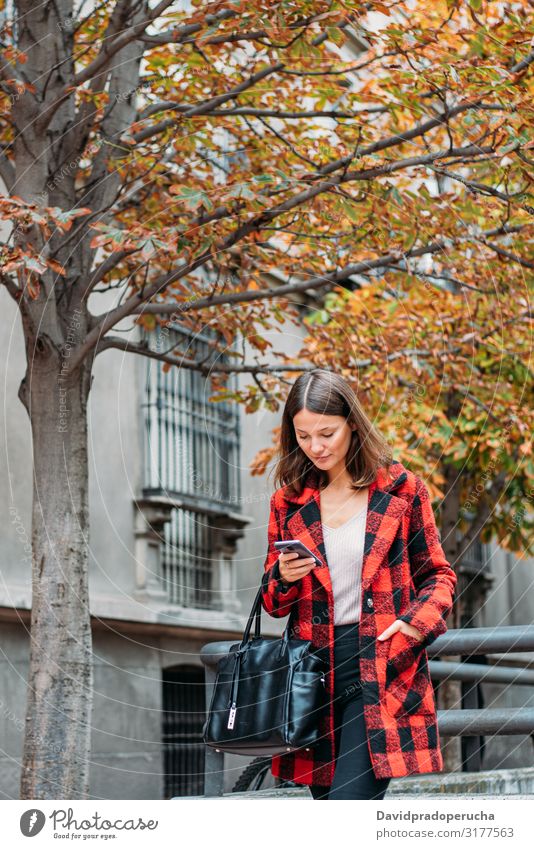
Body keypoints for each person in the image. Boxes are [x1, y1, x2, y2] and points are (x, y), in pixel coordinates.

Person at [260, 368, 457, 800]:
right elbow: (273, 603)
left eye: (326, 433)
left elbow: (439, 576)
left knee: (347, 808)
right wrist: (282, 576)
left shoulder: (402, 489)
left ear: (352, 422)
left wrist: (412, 626)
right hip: (312, 673)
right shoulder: (288, 500)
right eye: (304, 436)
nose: (315, 447)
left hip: (380, 663)